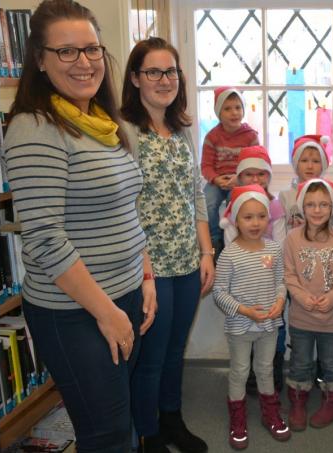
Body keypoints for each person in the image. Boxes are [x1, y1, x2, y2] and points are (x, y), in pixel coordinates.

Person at [2, 1, 156, 451]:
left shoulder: (105, 123)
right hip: (76, 312)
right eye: (66, 51)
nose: (84, 62)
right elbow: (46, 239)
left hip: (124, 295)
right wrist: (107, 313)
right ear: (39, 58)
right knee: (104, 435)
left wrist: (144, 275)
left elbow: (128, 208)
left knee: (121, 421)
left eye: (91, 49)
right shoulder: (34, 128)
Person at [120, 37, 215, 453]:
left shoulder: (182, 131)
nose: (164, 80)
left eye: (171, 71)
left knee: (176, 351)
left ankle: (172, 420)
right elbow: (123, 205)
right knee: (152, 356)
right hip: (149, 269)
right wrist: (144, 273)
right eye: (154, 72)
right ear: (136, 78)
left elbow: (196, 194)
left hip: (187, 262)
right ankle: (149, 434)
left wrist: (207, 252)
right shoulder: (124, 131)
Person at [213, 185, 291, 450]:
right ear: (235, 219)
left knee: (265, 369)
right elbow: (219, 293)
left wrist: (280, 301)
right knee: (240, 371)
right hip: (240, 327)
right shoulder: (229, 254)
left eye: (261, 216)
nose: (255, 222)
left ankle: (271, 413)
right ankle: (238, 418)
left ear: (268, 217)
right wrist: (244, 310)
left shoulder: (273, 248)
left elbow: (281, 281)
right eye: (248, 217)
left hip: (270, 325)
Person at [283, 178, 333, 431]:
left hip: (330, 318)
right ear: (302, 207)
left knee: (332, 360)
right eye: (311, 204)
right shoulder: (292, 239)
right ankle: (298, 400)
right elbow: (289, 275)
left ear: (332, 207)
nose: (317, 210)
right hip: (301, 317)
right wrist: (301, 298)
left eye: (323, 204)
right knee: (300, 361)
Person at [219, 145, 287, 394]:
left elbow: (279, 246)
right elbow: (231, 250)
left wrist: (268, 264)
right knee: (242, 345)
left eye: (262, 173)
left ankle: (271, 376)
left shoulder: (276, 207)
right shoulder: (233, 209)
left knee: (274, 337)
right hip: (242, 288)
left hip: (269, 283)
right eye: (249, 174)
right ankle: (246, 381)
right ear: (239, 176)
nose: (256, 179)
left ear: (269, 176)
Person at [201, 87, 260, 255]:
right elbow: (205, 166)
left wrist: (239, 178)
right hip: (217, 180)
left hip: (240, 181)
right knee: (208, 202)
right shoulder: (212, 137)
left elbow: (254, 164)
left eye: (238, 107)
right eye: (227, 109)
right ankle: (215, 239)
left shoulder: (250, 136)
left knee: (235, 205)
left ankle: (235, 241)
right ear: (219, 112)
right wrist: (215, 179)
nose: (234, 112)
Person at [278, 134, 331, 232]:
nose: (310, 166)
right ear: (296, 164)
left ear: (322, 166)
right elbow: (280, 229)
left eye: (315, 161)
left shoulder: (330, 193)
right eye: (304, 161)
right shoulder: (285, 194)